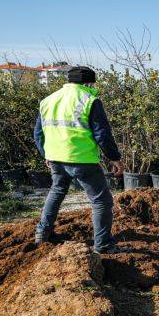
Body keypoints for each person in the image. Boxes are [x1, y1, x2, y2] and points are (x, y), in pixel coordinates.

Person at [33, 66, 129, 254]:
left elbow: (38, 133)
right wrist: (115, 158)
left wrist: (47, 154)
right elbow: (102, 134)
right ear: (88, 82)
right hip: (81, 159)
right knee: (101, 201)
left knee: (57, 192)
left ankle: (42, 234)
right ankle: (103, 245)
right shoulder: (90, 100)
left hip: (56, 159)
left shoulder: (48, 101)